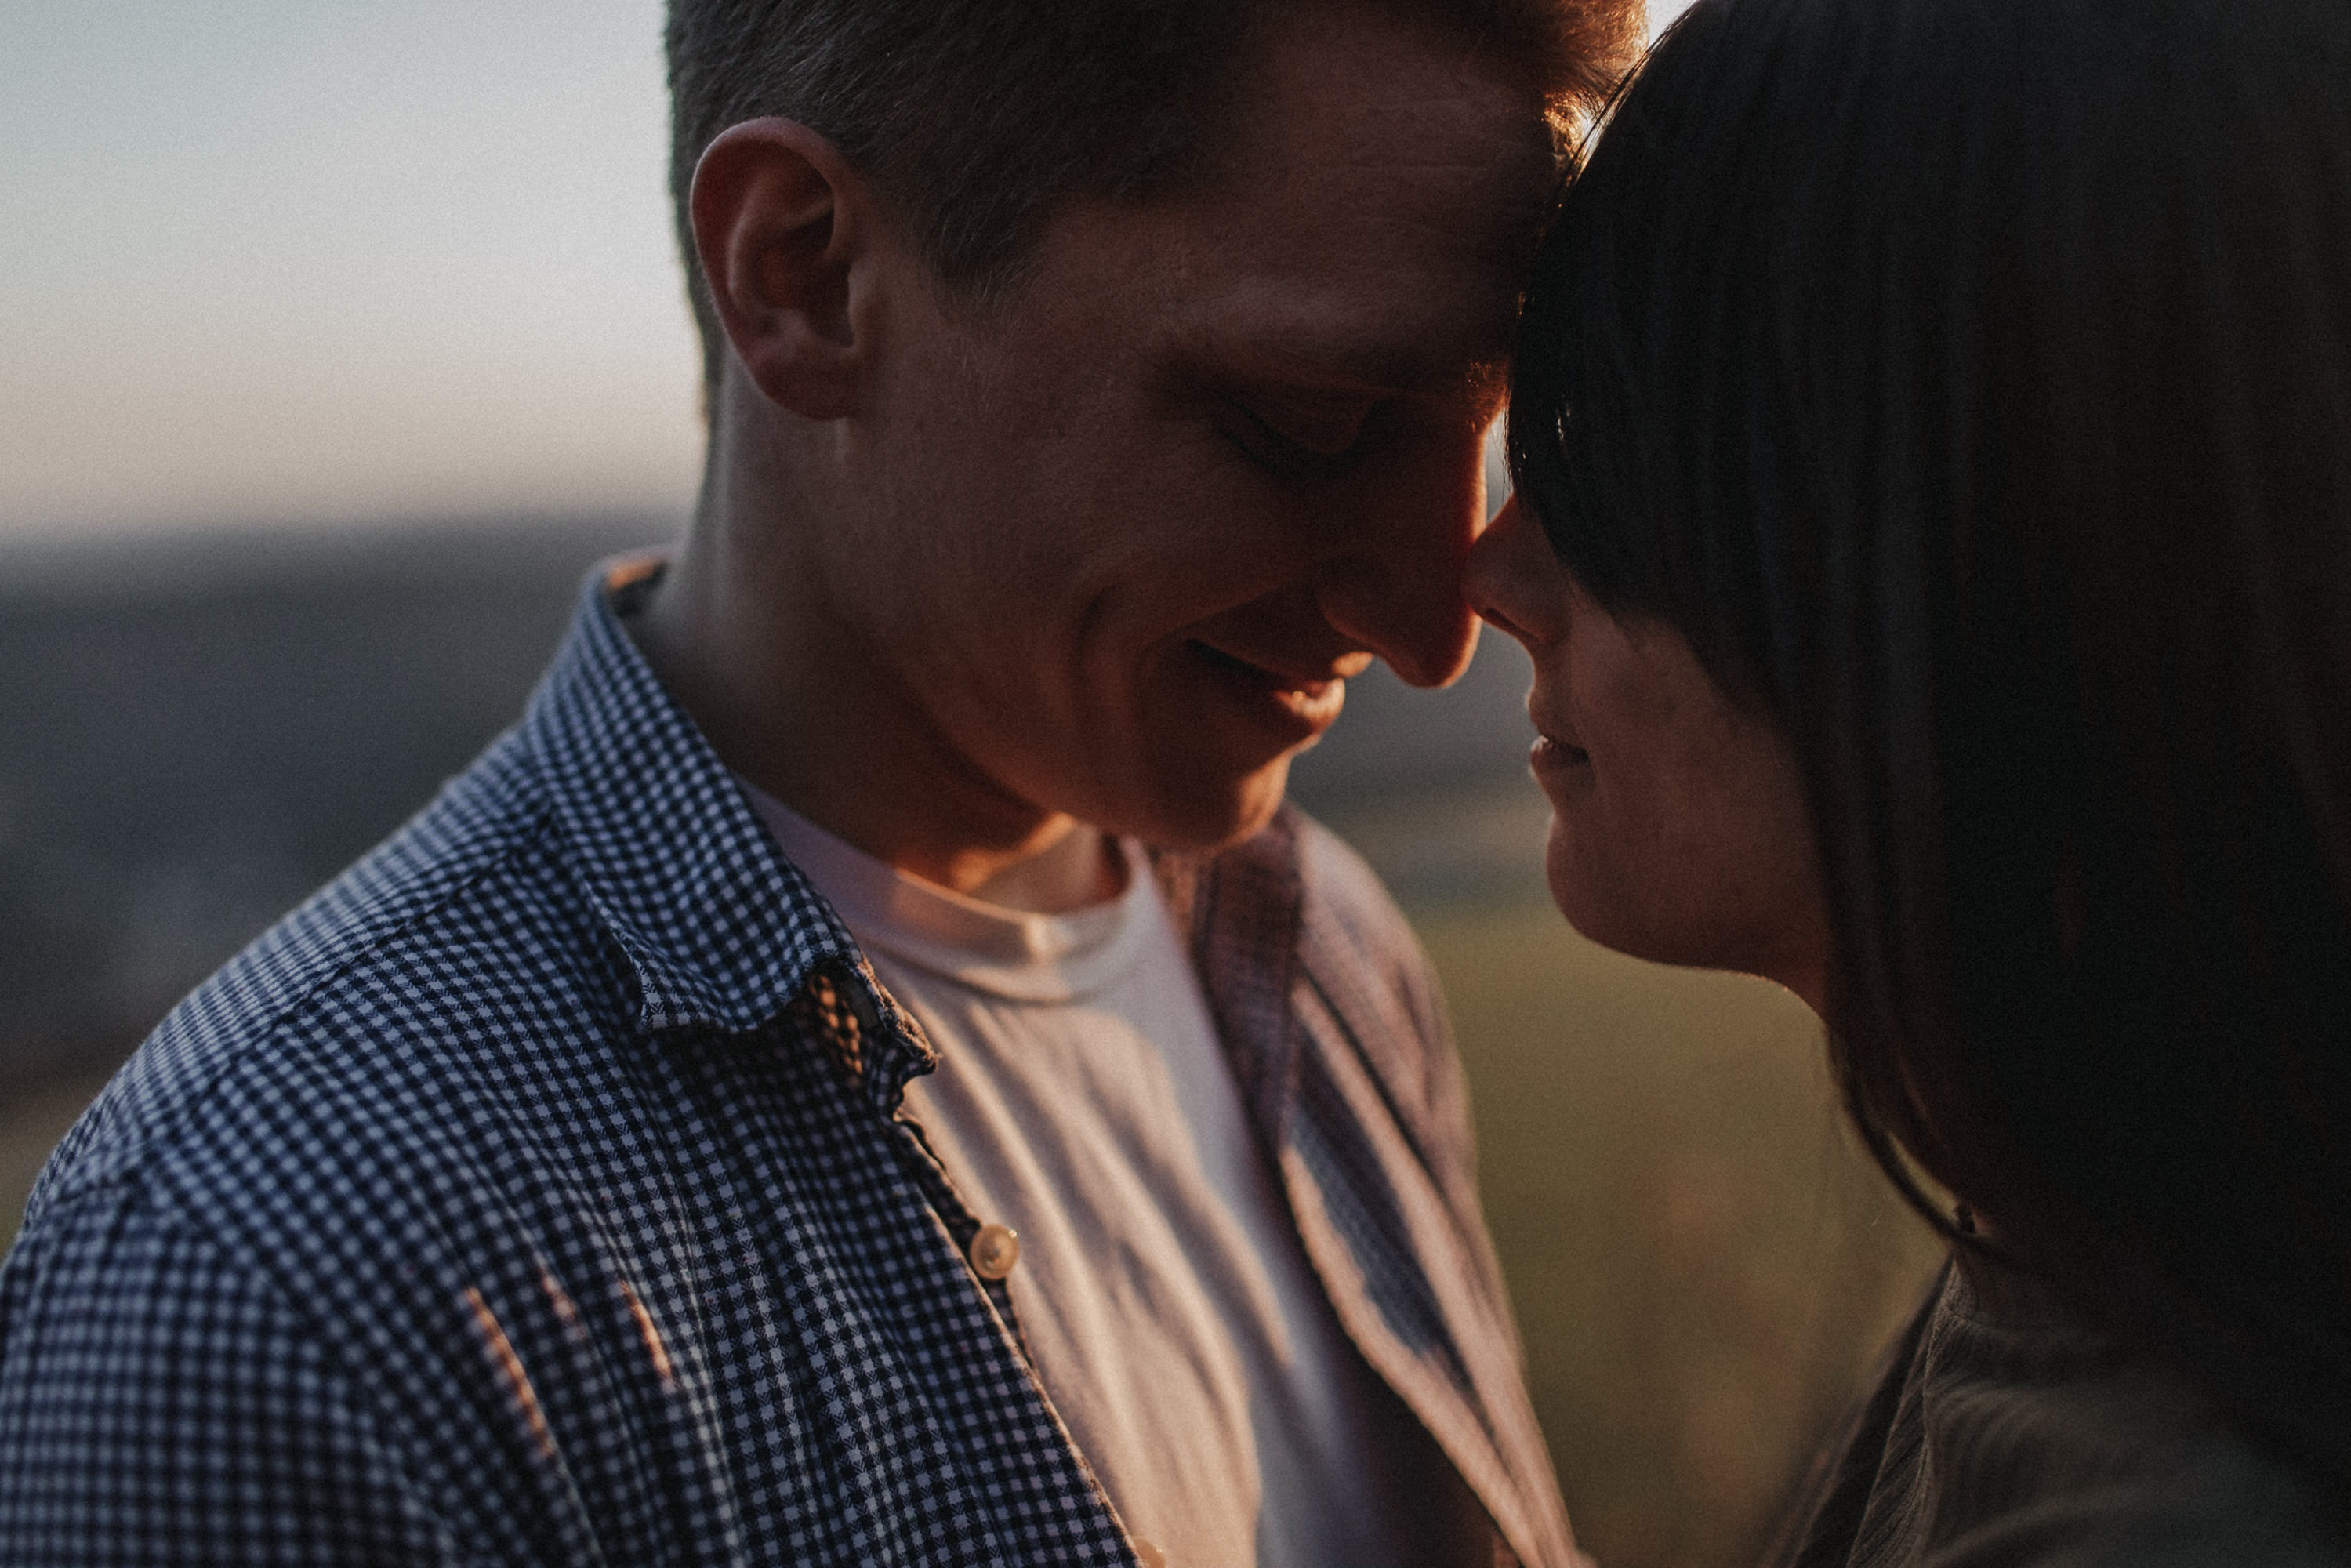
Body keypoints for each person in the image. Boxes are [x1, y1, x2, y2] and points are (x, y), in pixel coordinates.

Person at [0, 2, 1642, 1563]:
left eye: (1493, 423)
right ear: (805, 273)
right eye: (1313, 420)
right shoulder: (267, 1297)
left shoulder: (1317, 945)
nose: (1437, 626)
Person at [1468, 0, 2351, 1558]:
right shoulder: (2077, 1245)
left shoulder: (2180, 1506)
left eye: (1626, 451)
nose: (1492, 570)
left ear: (1999, 551)